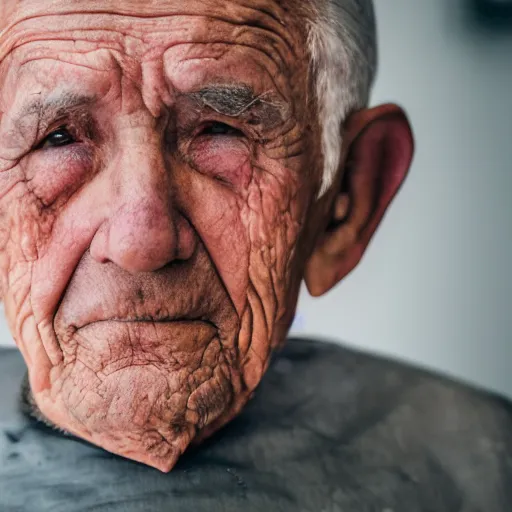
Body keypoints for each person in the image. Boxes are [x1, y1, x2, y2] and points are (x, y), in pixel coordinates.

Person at [0, 0, 510, 510]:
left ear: (347, 198)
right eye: (58, 139)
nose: (141, 243)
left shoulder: (488, 473)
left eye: (221, 130)